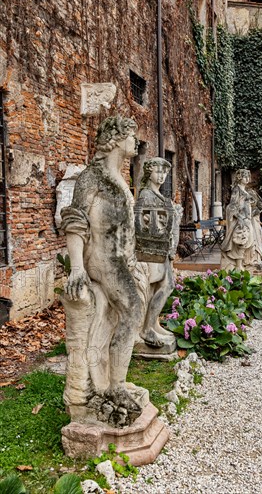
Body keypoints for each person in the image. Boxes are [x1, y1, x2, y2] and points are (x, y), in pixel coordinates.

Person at [61, 116, 147, 427]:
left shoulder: (120, 177)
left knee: (132, 311)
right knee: (133, 310)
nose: (134, 141)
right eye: (131, 135)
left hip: (123, 259)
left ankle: (116, 380)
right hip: (103, 259)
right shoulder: (91, 177)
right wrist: (76, 268)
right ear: (115, 138)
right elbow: (75, 221)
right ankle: (116, 388)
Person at [136, 157, 182, 348]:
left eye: (164, 172)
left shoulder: (158, 196)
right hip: (152, 249)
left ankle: (153, 323)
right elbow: (143, 222)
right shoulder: (146, 195)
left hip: (162, 248)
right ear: (149, 173)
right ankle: (147, 328)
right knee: (164, 285)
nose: (162, 176)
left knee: (162, 286)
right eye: (158, 171)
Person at [221, 169, 262, 272]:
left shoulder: (246, 190)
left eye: (248, 176)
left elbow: (255, 205)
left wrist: (253, 212)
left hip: (248, 219)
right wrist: (239, 218)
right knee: (242, 241)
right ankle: (238, 265)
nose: (247, 178)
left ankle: (248, 262)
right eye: (245, 176)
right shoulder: (237, 190)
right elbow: (232, 206)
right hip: (242, 220)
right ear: (240, 177)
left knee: (250, 242)